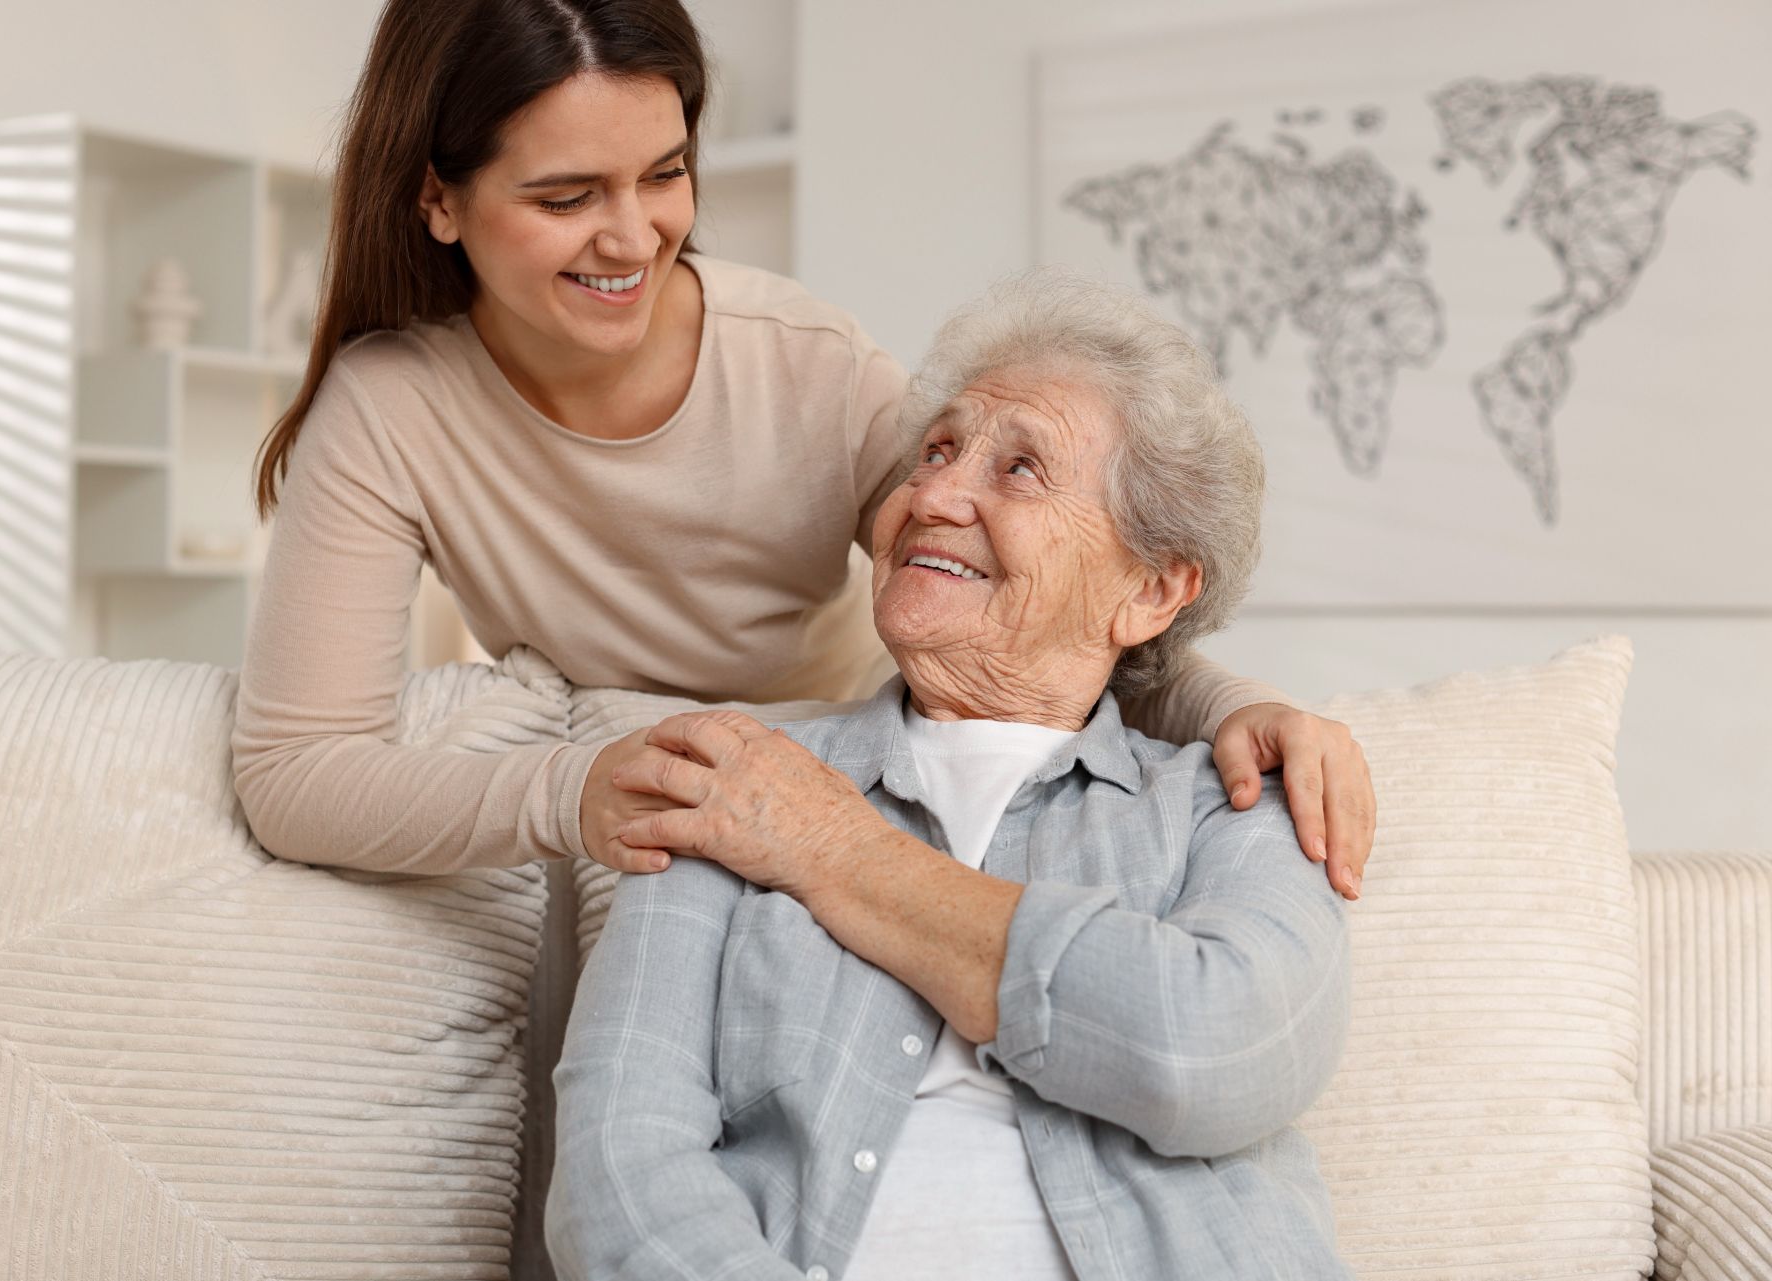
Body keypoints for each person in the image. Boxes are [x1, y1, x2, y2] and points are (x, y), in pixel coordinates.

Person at [229, 0, 1377, 898]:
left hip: (870, 794)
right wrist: (572, 792)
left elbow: (1042, 590)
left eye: (665, 173)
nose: (633, 237)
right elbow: (293, 775)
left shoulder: (802, 363)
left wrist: (1230, 707)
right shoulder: (388, 413)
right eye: (568, 195)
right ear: (438, 199)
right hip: (640, 830)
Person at [546, 269, 1353, 1280]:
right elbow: (619, 1176)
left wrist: (833, 849)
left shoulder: (1230, 807)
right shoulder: (732, 776)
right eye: (934, 452)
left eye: (1018, 471)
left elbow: (1219, 1057)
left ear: (1150, 589)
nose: (931, 495)